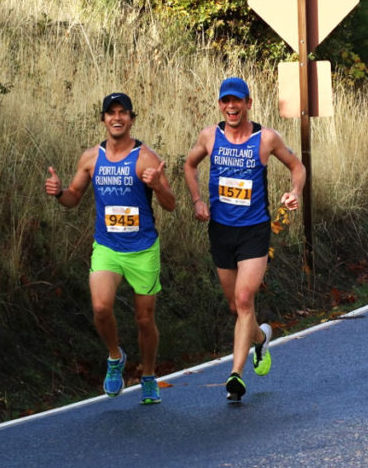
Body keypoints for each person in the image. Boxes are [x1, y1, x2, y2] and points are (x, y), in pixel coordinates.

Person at [45, 92, 176, 405]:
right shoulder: (91, 158)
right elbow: (74, 197)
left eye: (123, 113)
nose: (117, 118)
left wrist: (157, 185)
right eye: (110, 113)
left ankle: (147, 375)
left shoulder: (146, 157)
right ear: (103, 119)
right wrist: (58, 191)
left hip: (143, 248)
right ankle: (115, 357)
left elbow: (171, 205)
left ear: (131, 118)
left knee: (145, 320)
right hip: (107, 247)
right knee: (101, 308)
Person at [183, 77, 306, 403]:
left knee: (244, 298)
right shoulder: (210, 136)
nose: (232, 107)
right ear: (221, 104)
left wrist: (295, 192)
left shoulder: (266, 138)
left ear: (248, 103)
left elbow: (297, 166)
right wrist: (197, 199)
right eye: (226, 101)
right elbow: (189, 165)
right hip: (221, 231)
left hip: (254, 230)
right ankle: (260, 338)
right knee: (236, 307)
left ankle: (235, 375)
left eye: (237, 101)